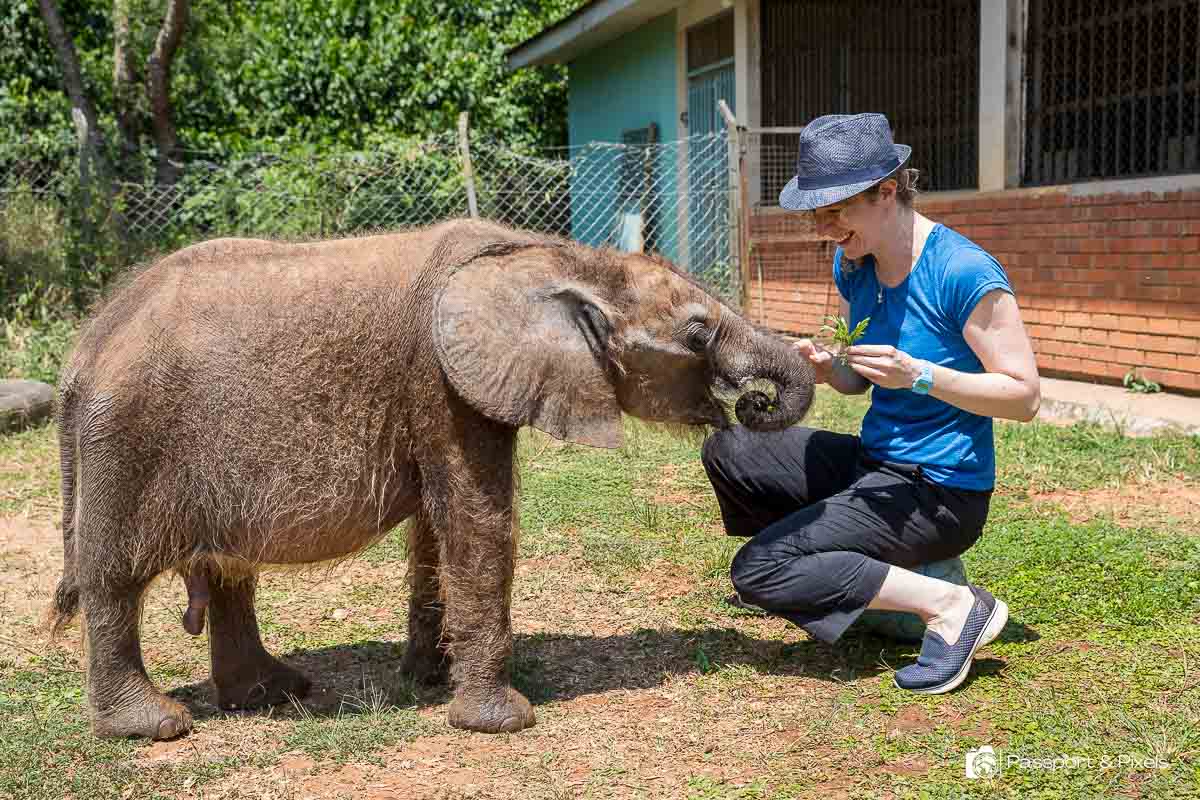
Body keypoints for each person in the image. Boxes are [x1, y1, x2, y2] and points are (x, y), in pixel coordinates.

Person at [701, 113, 1041, 694]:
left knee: (758, 568)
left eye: (835, 211)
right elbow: (862, 381)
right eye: (815, 213)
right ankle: (828, 574)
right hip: (875, 464)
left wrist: (923, 376)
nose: (823, 228)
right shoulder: (854, 264)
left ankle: (949, 605)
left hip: (939, 492)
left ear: (888, 191)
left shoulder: (963, 271)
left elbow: (1023, 396)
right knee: (732, 448)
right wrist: (830, 370)